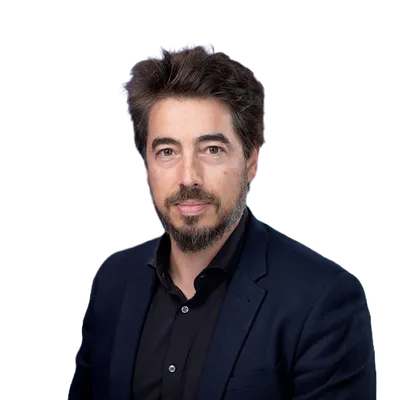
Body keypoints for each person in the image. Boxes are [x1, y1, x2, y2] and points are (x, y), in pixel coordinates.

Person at [67, 41, 376, 399]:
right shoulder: (113, 280)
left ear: (252, 162)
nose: (188, 177)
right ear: (146, 169)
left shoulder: (324, 299)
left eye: (211, 149)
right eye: (167, 151)